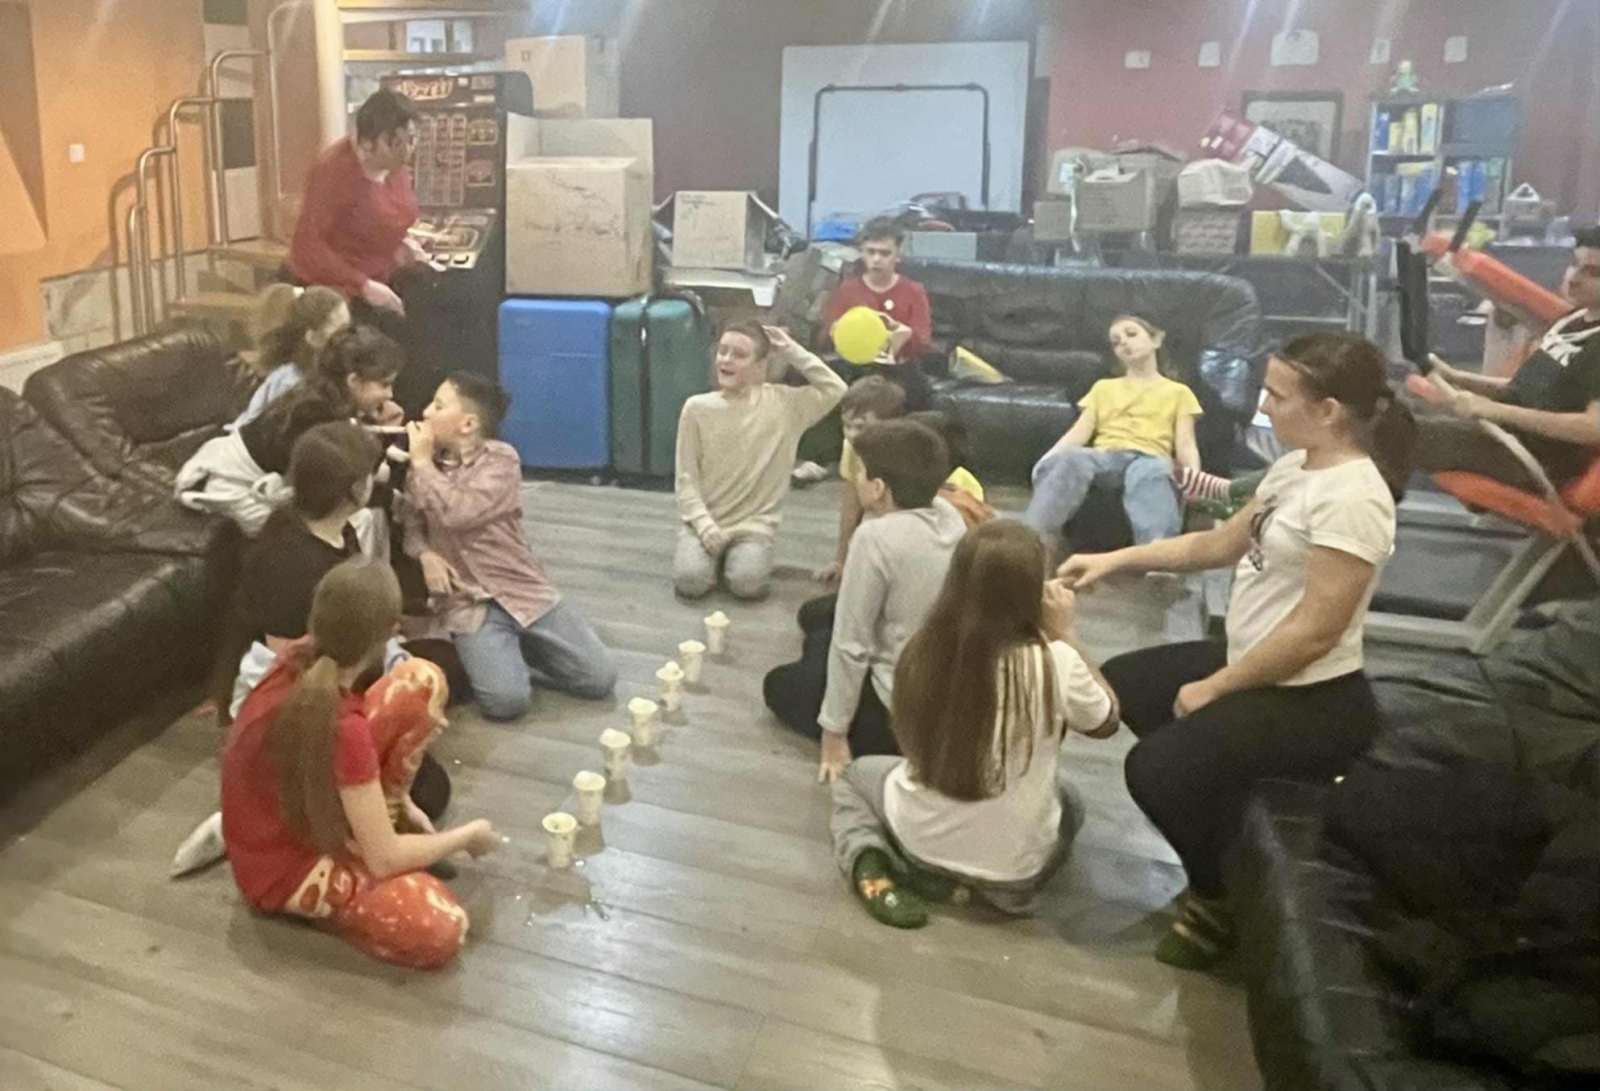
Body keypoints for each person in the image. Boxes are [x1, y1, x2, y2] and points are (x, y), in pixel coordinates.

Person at [1059, 332, 1414, 971]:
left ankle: (1215, 897)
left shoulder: (1356, 498)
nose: (1262, 407)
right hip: (1256, 664)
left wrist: (1217, 688)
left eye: (1276, 396)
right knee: (1127, 682)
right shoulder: (1297, 467)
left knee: (1155, 770)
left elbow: (1317, 632)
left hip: (1312, 698)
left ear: (1328, 409)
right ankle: (1221, 809)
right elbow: (1217, 544)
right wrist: (1114, 559)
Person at [171, 423, 451, 879]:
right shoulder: (289, 562)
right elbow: (290, 675)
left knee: (440, 672)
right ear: (355, 489)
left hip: (341, 677)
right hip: (302, 705)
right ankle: (269, 816)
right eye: (373, 473)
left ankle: (321, 807)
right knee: (431, 788)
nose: (379, 478)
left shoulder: (336, 534)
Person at [830, 521, 1119, 928]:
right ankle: (991, 892)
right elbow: (1107, 721)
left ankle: (870, 860)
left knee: (853, 775)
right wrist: (1066, 633)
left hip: (919, 843)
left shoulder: (923, 648)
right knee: (1070, 800)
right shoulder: (1057, 660)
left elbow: (908, 741)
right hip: (1016, 874)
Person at [221, 561, 499, 970]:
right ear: (391, 632)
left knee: (423, 679)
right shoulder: (342, 728)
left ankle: (376, 820)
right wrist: (466, 837)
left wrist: (402, 803)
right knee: (444, 927)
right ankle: (340, 888)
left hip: (282, 820)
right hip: (280, 872)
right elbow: (384, 859)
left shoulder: (299, 657)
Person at [403, 372, 617, 721]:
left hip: (522, 589)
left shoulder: (501, 461)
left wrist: (423, 464)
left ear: (468, 424)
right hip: (469, 602)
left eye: (438, 406)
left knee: (599, 678)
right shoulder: (420, 469)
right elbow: (411, 527)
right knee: (506, 703)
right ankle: (501, 651)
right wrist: (425, 554)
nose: (426, 412)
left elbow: (459, 513)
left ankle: (521, 647)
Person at [763, 420, 966, 782]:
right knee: (815, 618)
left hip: (898, 712)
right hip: (938, 681)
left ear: (878, 488)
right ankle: (821, 672)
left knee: (778, 684)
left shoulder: (874, 538)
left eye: (860, 472)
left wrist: (834, 734)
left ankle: (825, 686)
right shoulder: (949, 515)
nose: (854, 479)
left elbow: (852, 643)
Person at [1411, 225, 1600, 490]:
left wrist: (1495, 410)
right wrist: (1456, 377)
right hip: (1499, 431)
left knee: (1386, 430)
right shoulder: (1574, 319)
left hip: (1527, 456)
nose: (1574, 278)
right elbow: (1521, 391)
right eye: (1575, 264)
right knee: (1384, 404)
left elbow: (1593, 427)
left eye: (1594, 273)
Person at [175, 326, 405, 542]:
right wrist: (390, 495)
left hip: (255, 475)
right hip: (239, 489)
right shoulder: (316, 415)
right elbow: (329, 490)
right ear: (354, 381)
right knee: (354, 522)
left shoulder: (322, 395)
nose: (390, 395)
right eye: (385, 385)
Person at [674, 321, 847, 600]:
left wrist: (791, 350)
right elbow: (686, 477)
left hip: (753, 527)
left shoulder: (785, 405)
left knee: (747, 584)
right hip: (703, 521)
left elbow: (835, 388)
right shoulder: (696, 408)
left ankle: (737, 557)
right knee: (690, 582)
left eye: (739, 355)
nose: (726, 360)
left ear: (760, 365)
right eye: (723, 351)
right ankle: (711, 552)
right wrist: (704, 525)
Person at [1023, 316, 1203, 552]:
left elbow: (1186, 442)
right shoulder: (1103, 388)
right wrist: (1047, 460)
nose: (1124, 343)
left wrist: (1194, 477)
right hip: (1106, 456)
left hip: (1150, 457)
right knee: (1071, 459)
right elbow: (1078, 433)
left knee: (1150, 473)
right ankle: (1029, 544)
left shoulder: (1179, 392)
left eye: (1131, 334)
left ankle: (1158, 554)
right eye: (1116, 342)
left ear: (1156, 340)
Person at [285, 89, 423, 322]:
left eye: (411, 139)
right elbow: (306, 246)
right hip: (340, 295)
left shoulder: (394, 165)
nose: (406, 151)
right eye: (395, 143)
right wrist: (362, 285)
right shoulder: (332, 173)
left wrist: (404, 243)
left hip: (382, 279)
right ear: (367, 143)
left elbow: (385, 217)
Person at [821, 218, 934, 407]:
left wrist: (904, 335)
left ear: (898, 255)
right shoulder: (847, 290)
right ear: (862, 253)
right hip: (856, 368)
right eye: (870, 252)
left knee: (906, 389)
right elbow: (829, 333)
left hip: (900, 371)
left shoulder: (914, 291)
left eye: (885, 253)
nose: (876, 259)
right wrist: (835, 333)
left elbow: (924, 340)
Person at [231, 285, 351, 430]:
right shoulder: (291, 382)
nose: (351, 336)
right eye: (342, 329)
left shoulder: (324, 375)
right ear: (312, 337)